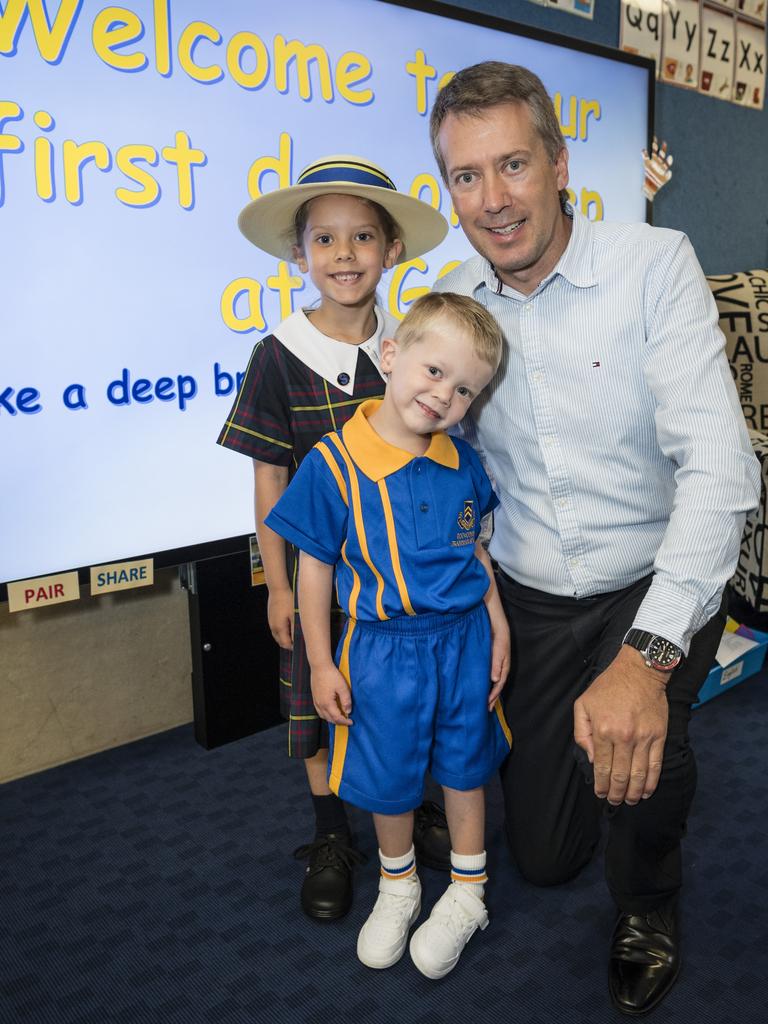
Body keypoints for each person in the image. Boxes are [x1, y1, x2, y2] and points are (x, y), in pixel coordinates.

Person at [428, 62, 760, 1014]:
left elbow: (721, 474)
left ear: (560, 161)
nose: (493, 201)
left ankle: (652, 899)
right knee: (541, 857)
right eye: (465, 177)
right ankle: (599, 775)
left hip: (653, 575)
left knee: (644, 755)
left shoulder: (654, 265)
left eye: (513, 165)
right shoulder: (453, 305)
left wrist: (645, 660)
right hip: (533, 593)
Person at [217, 156, 450, 922]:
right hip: (318, 577)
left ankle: (406, 812)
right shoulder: (278, 355)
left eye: (361, 238)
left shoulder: (410, 347)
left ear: (392, 251)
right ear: (299, 255)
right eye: (325, 239)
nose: (344, 255)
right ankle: (329, 835)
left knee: (400, 696)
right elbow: (269, 480)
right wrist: (278, 583)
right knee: (317, 706)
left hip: (398, 576)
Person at [264, 291, 513, 978]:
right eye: (434, 372)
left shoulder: (461, 461)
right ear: (393, 355)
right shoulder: (333, 461)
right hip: (379, 652)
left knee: (465, 768)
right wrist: (320, 664)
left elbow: (476, 553)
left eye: (465, 390)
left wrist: (497, 626)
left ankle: (468, 893)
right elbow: (313, 572)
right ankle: (398, 885)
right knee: (390, 775)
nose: (443, 397)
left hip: (462, 643)